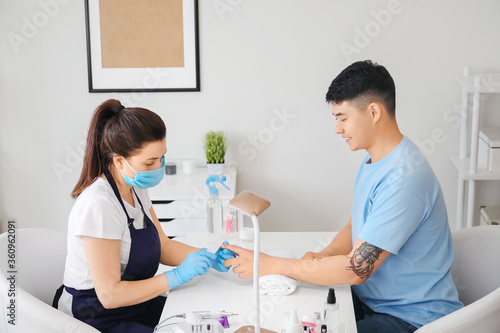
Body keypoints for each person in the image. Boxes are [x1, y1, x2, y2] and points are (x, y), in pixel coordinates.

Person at [222, 60, 463, 333]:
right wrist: (317, 259)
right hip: (370, 301)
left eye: (343, 118)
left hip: (410, 320)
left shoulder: (404, 180)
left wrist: (274, 265)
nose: (338, 129)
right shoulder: (375, 161)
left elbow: (356, 269)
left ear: (373, 112)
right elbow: (354, 225)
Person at [53, 99, 235, 332]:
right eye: (150, 162)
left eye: (162, 157)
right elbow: (109, 295)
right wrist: (176, 276)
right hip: (96, 316)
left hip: (134, 303)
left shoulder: (135, 187)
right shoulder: (99, 205)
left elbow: (163, 246)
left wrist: (207, 256)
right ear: (119, 161)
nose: (158, 168)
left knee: (206, 315)